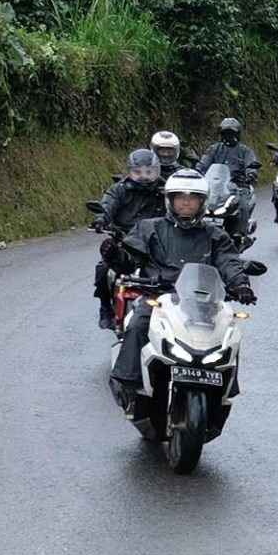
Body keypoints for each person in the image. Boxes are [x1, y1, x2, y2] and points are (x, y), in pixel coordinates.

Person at [109, 170, 257, 410]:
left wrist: (241, 285)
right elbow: (128, 259)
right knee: (137, 325)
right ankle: (129, 384)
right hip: (158, 298)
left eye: (193, 197)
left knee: (230, 333)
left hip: (202, 304)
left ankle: (225, 390)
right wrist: (114, 253)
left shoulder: (215, 235)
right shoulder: (149, 228)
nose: (186, 202)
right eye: (180, 197)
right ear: (170, 200)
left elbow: (229, 262)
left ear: (203, 202)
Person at [91, 148, 167, 329]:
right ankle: (105, 308)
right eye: (137, 172)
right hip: (124, 239)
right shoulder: (119, 190)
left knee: (172, 271)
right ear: (130, 171)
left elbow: (177, 210)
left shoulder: (166, 192)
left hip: (157, 241)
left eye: (148, 172)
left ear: (156, 171)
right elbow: (108, 205)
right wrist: (100, 220)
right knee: (103, 269)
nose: (143, 177)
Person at [196, 118, 259, 184]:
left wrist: (251, 174)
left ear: (237, 134)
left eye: (231, 133)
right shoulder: (214, 149)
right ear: (222, 134)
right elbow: (204, 162)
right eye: (226, 133)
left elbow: (250, 163)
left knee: (247, 193)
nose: (228, 136)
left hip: (238, 186)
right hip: (215, 185)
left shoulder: (245, 151)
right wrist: (198, 170)